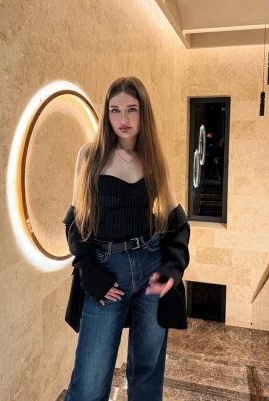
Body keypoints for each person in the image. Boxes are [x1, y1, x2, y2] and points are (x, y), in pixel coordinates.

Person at [62, 77, 190, 401]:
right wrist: (90, 270)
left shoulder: (155, 158)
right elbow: (76, 222)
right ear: (106, 113)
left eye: (132, 109)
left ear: (143, 112)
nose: (123, 119)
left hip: (151, 265)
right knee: (89, 384)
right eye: (115, 110)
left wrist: (172, 268)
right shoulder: (90, 155)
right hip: (106, 271)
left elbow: (176, 223)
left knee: (147, 373)